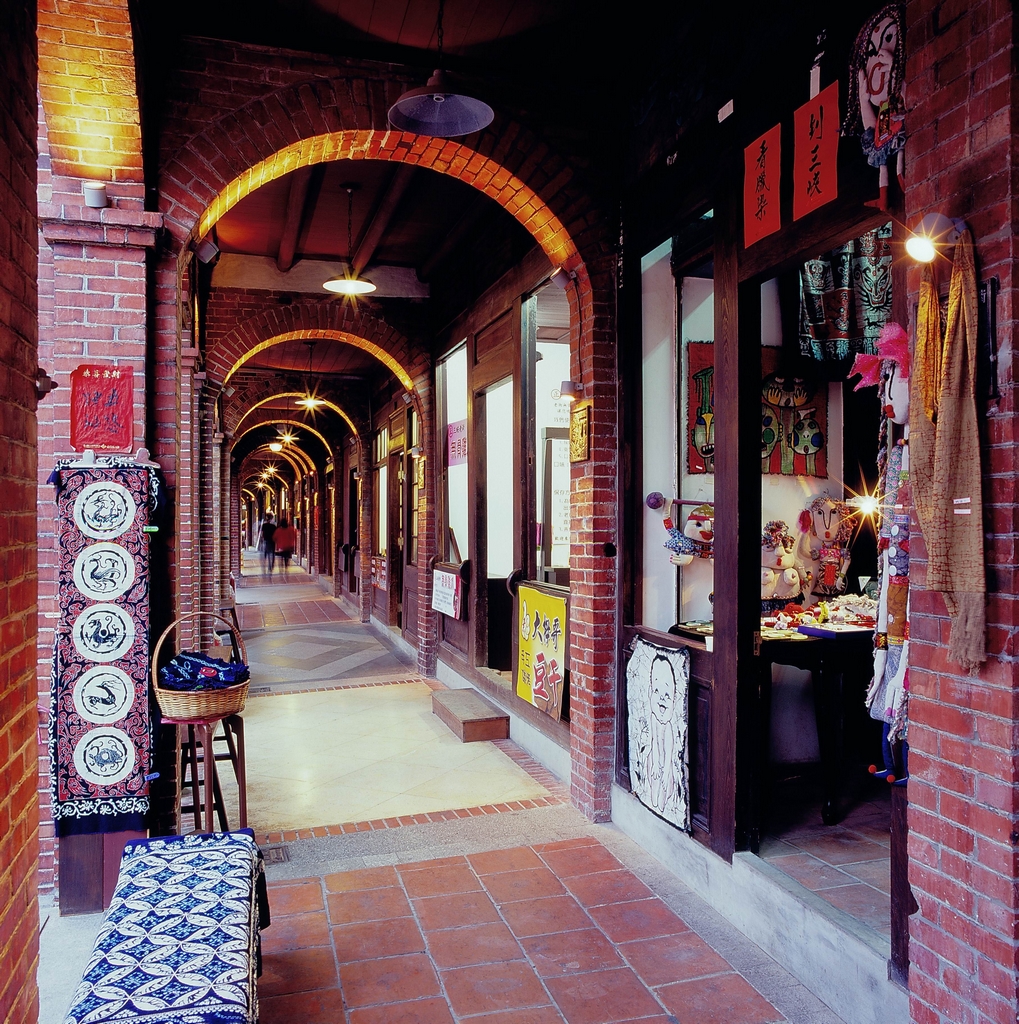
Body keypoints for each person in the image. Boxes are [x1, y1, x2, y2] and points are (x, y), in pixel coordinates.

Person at [259, 512, 276, 576]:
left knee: (265, 555)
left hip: (266, 541)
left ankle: (264, 568)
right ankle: (270, 568)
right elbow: (275, 534)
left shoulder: (264, 525)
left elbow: (261, 534)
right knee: (272, 555)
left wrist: (262, 539)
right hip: (272, 541)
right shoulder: (273, 526)